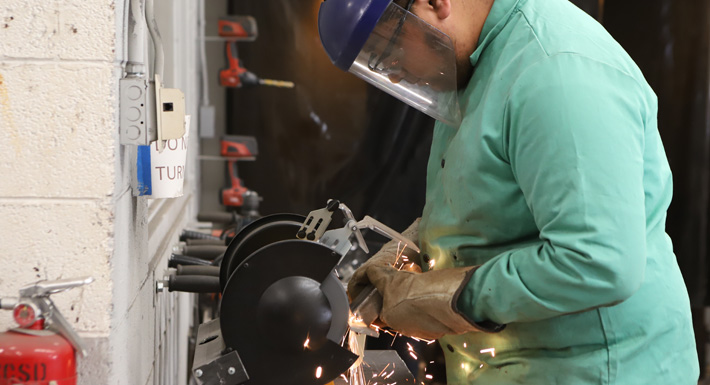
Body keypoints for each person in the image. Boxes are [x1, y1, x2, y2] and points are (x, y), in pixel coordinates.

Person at [318, 0, 700, 384]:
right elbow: (492, 199)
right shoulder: (478, 64)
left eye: (392, 54)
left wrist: (448, 297)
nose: (397, 78)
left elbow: (598, 261)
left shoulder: (555, 70)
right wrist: (409, 249)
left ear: (435, 3)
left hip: (595, 371)